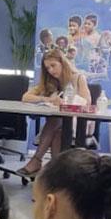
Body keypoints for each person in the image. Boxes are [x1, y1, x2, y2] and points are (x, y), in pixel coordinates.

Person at [19, 48, 89, 177]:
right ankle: (56, 173)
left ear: (62, 62)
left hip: (78, 123)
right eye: (47, 68)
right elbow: (26, 97)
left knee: (55, 120)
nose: (51, 70)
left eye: (53, 66)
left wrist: (68, 103)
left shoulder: (78, 78)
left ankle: (37, 160)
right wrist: (48, 99)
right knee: (57, 129)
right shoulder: (50, 81)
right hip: (58, 125)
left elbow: (87, 103)